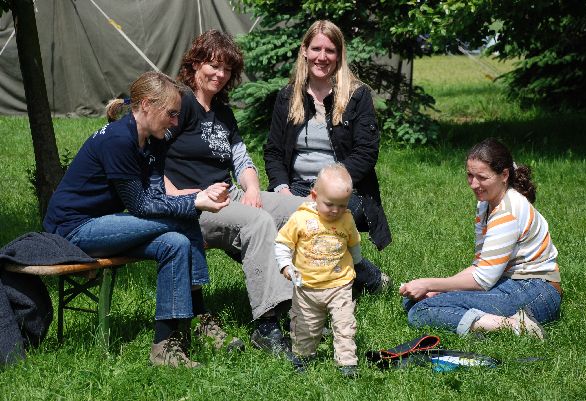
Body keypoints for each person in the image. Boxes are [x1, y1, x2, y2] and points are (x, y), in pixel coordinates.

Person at [43, 71, 230, 367]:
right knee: (183, 219)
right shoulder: (119, 140)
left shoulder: (152, 140)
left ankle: (165, 347)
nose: (175, 122)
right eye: (170, 114)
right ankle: (200, 316)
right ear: (146, 105)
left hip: (107, 224)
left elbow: (157, 198)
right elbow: (142, 205)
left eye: (177, 115)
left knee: (175, 242)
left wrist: (195, 198)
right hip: (73, 230)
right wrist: (195, 201)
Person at [163, 30, 305, 358]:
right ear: (195, 65)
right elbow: (150, 157)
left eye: (227, 69)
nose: (220, 74)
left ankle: (311, 308)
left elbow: (241, 159)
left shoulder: (223, 112)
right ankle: (268, 326)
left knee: (303, 210)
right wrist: (179, 196)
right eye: (213, 65)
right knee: (257, 222)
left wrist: (253, 189)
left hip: (231, 195)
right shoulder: (178, 104)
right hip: (195, 207)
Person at [264, 20, 392, 295]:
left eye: (330, 50)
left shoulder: (357, 96)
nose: (322, 57)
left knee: (314, 222)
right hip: (295, 186)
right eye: (316, 49)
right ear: (304, 51)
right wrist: (281, 188)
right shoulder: (288, 96)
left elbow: (366, 153)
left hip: (346, 191)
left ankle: (349, 283)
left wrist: (328, 187)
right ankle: (305, 289)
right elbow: (273, 151)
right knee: (263, 223)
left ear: (339, 55)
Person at [400, 138, 562, 339]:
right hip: (509, 282)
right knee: (413, 301)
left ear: (504, 175)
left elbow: (483, 279)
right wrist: (436, 290)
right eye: (470, 175)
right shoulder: (487, 203)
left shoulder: (507, 212)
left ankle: (514, 326)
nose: (474, 184)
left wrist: (430, 284)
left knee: (421, 311)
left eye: (482, 178)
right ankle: (485, 320)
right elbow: (481, 265)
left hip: (536, 293)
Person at [275, 164, 361, 377]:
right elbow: (283, 243)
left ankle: (347, 363)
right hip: (307, 287)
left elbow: (354, 244)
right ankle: (303, 358)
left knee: (345, 325)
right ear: (314, 196)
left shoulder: (347, 218)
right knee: (305, 326)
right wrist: (286, 265)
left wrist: (357, 263)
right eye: (330, 204)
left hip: (339, 284)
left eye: (342, 205)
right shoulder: (301, 218)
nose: (336, 210)